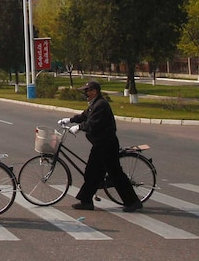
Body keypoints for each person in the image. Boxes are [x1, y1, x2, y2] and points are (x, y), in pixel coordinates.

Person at [58, 80, 143, 212]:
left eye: (87, 91)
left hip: (107, 145)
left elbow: (92, 124)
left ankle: (133, 202)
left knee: (115, 174)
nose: (85, 93)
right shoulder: (94, 104)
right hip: (99, 145)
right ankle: (86, 201)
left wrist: (79, 127)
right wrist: (69, 120)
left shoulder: (101, 105)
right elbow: (84, 116)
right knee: (91, 173)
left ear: (94, 91)